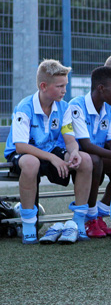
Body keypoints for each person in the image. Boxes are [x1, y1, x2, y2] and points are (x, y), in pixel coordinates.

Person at [4, 59, 93, 244]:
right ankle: (28, 225)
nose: (64, 90)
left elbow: (69, 139)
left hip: (50, 151)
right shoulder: (25, 107)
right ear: (43, 86)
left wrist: (74, 151)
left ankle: (78, 221)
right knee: (31, 162)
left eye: (65, 85)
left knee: (85, 160)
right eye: (60, 86)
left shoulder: (64, 107)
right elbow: (20, 146)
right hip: (24, 154)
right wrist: (53, 158)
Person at [69, 66, 111, 238]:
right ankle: (90, 218)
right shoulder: (76, 105)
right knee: (95, 160)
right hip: (74, 156)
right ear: (101, 88)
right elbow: (86, 145)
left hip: (96, 155)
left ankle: (100, 213)